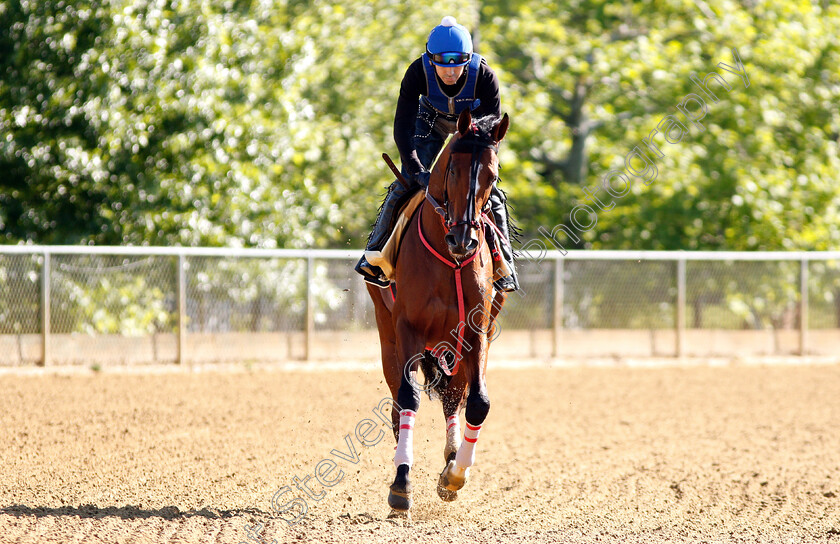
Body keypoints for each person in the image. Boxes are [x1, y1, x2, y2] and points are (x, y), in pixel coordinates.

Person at [355, 16, 519, 292]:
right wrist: (416, 168)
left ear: (468, 59)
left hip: (474, 126)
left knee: (492, 193)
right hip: (430, 120)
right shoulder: (416, 72)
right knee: (404, 184)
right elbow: (402, 127)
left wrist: (481, 173)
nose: (451, 73)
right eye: (443, 65)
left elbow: (492, 135)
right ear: (431, 60)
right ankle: (376, 254)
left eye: (458, 65)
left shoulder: (486, 77)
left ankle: (505, 265)